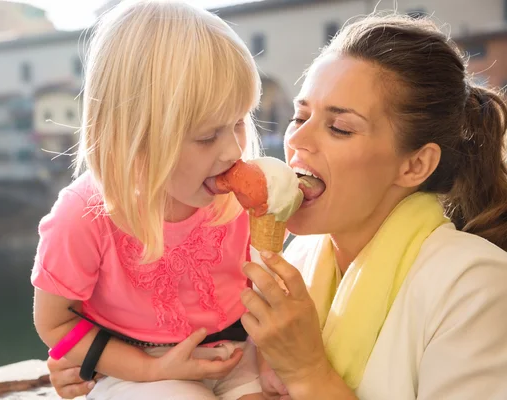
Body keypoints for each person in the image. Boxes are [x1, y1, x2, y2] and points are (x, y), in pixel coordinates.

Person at [47, 12, 507, 400]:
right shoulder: (294, 265)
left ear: (415, 165)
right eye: (299, 116)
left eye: (340, 128)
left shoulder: (474, 286)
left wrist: (309, 372)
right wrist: (111, 363)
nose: (297, 142)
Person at [31, 1, 266, 399]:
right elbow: (55, 325)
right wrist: (151, 369)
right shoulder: (83, 216)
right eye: (208, 136)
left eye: (240, 122)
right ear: (135, 138)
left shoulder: (239, 198)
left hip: (239, 357)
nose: (232, 152)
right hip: (135, 371)